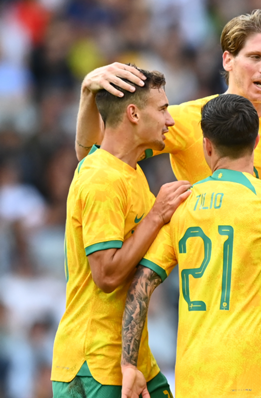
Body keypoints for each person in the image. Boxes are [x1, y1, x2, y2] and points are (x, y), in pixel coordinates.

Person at [119, 94, 261, 398]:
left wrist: (129, 364)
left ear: (207, 146)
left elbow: (140, 286)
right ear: (256, 142)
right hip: (257, 379)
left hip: (195, 380)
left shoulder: (181, 205)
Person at [51, 68, 191, 397]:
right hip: (94, 362)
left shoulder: (126, 170)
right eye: (163, 109)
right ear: (132, 113)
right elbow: (107, 274)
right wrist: (156, 216)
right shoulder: (103, 179)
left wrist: (88, 93)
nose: (170, 120)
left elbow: (87, 147)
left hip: (130, 356)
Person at [74, 9, 261, 184]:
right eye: (255, 57)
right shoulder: (184, 119)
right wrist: (87, 93)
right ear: (228, 60)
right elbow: (93, 157)